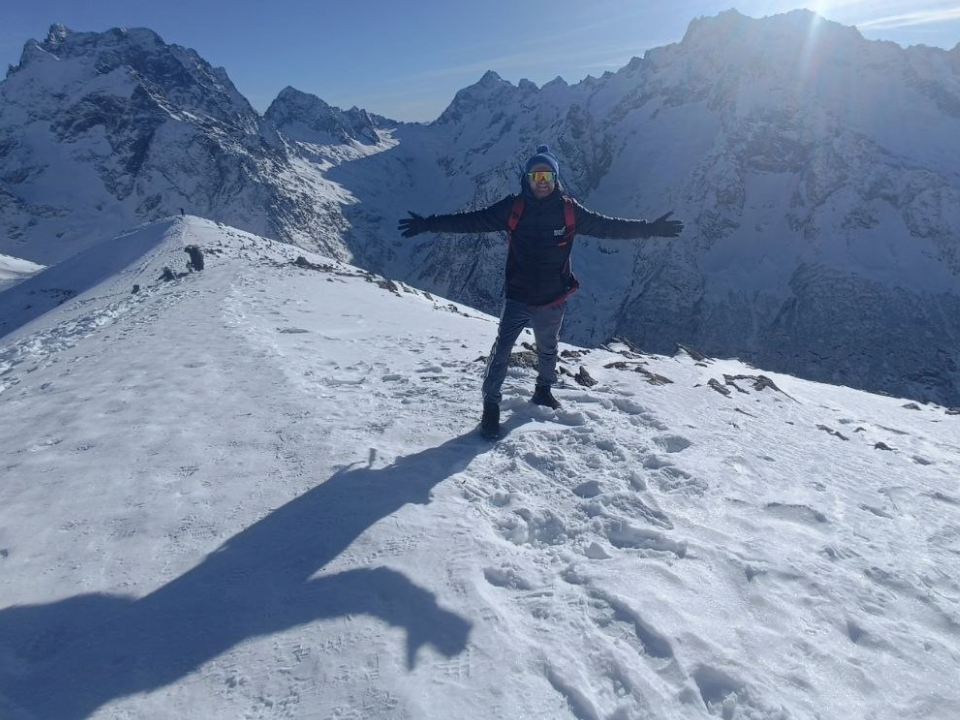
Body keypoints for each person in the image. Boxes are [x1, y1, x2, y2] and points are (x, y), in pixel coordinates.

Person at [398, 144, 683, 440]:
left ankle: (543, 390)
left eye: (547, 176)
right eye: (536, 176)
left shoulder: (569, 211)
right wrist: (428, 225)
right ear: (526, 179)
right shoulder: (513, 207)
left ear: (556, 178)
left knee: (548, 350)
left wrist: (650, 229)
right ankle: (491, 407)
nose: (542, 182)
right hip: (518, 296)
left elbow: (608, 227)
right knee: (501, 352)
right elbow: (472, 221)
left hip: (552, 297)